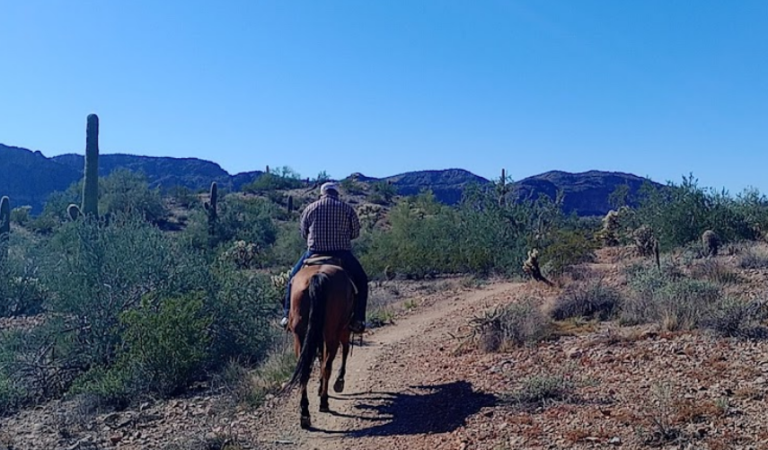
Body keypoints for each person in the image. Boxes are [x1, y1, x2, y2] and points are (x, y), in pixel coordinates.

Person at [281, 182, 369, 333]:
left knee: (292, 278)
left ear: (322, 193)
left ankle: (286, 315)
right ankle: (358, 319)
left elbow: (303, 233)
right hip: (341, 253)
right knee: (361, 280)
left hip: (314, 252)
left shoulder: (310, 208)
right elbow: (355, 233)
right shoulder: (347, 209)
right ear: (336, 193)